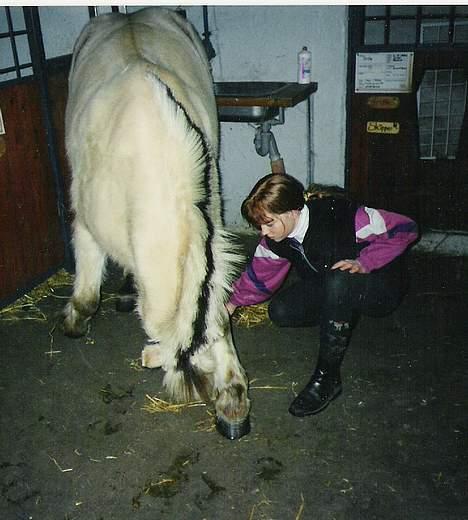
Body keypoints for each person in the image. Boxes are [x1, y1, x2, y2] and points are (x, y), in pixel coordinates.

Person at [226, 173, 418, 417]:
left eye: (269, 223)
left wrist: (365, 262)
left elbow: (405, 228)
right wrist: (232, 303)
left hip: (381, 287)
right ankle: (339, 316)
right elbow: (259, 275)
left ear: (292, 211)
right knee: (281, 311)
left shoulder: (348, 218)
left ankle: (327, 378)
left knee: (339, 281)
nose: (264, 232)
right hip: (333, 285)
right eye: (260, 226)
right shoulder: (276, 240)